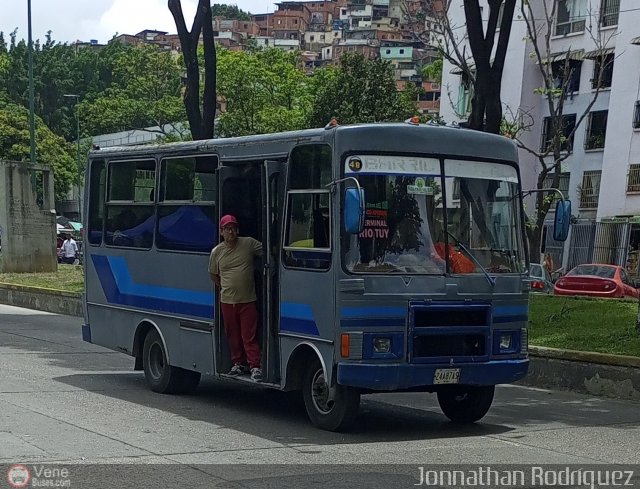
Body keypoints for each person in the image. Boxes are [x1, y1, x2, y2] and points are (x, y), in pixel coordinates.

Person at [208, 215, 264, 382]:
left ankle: (255, 366)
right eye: (227, 228)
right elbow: (213, 275)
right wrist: (225, 288)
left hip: (248, 300)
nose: (231, 231)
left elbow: (268, 253)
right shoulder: (216, 252)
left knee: (249, 335)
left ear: (237, 230)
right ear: (221, 232)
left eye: (233, 228)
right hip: (227, 301)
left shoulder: (248, 243)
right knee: (232, 334)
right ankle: (238, 364)